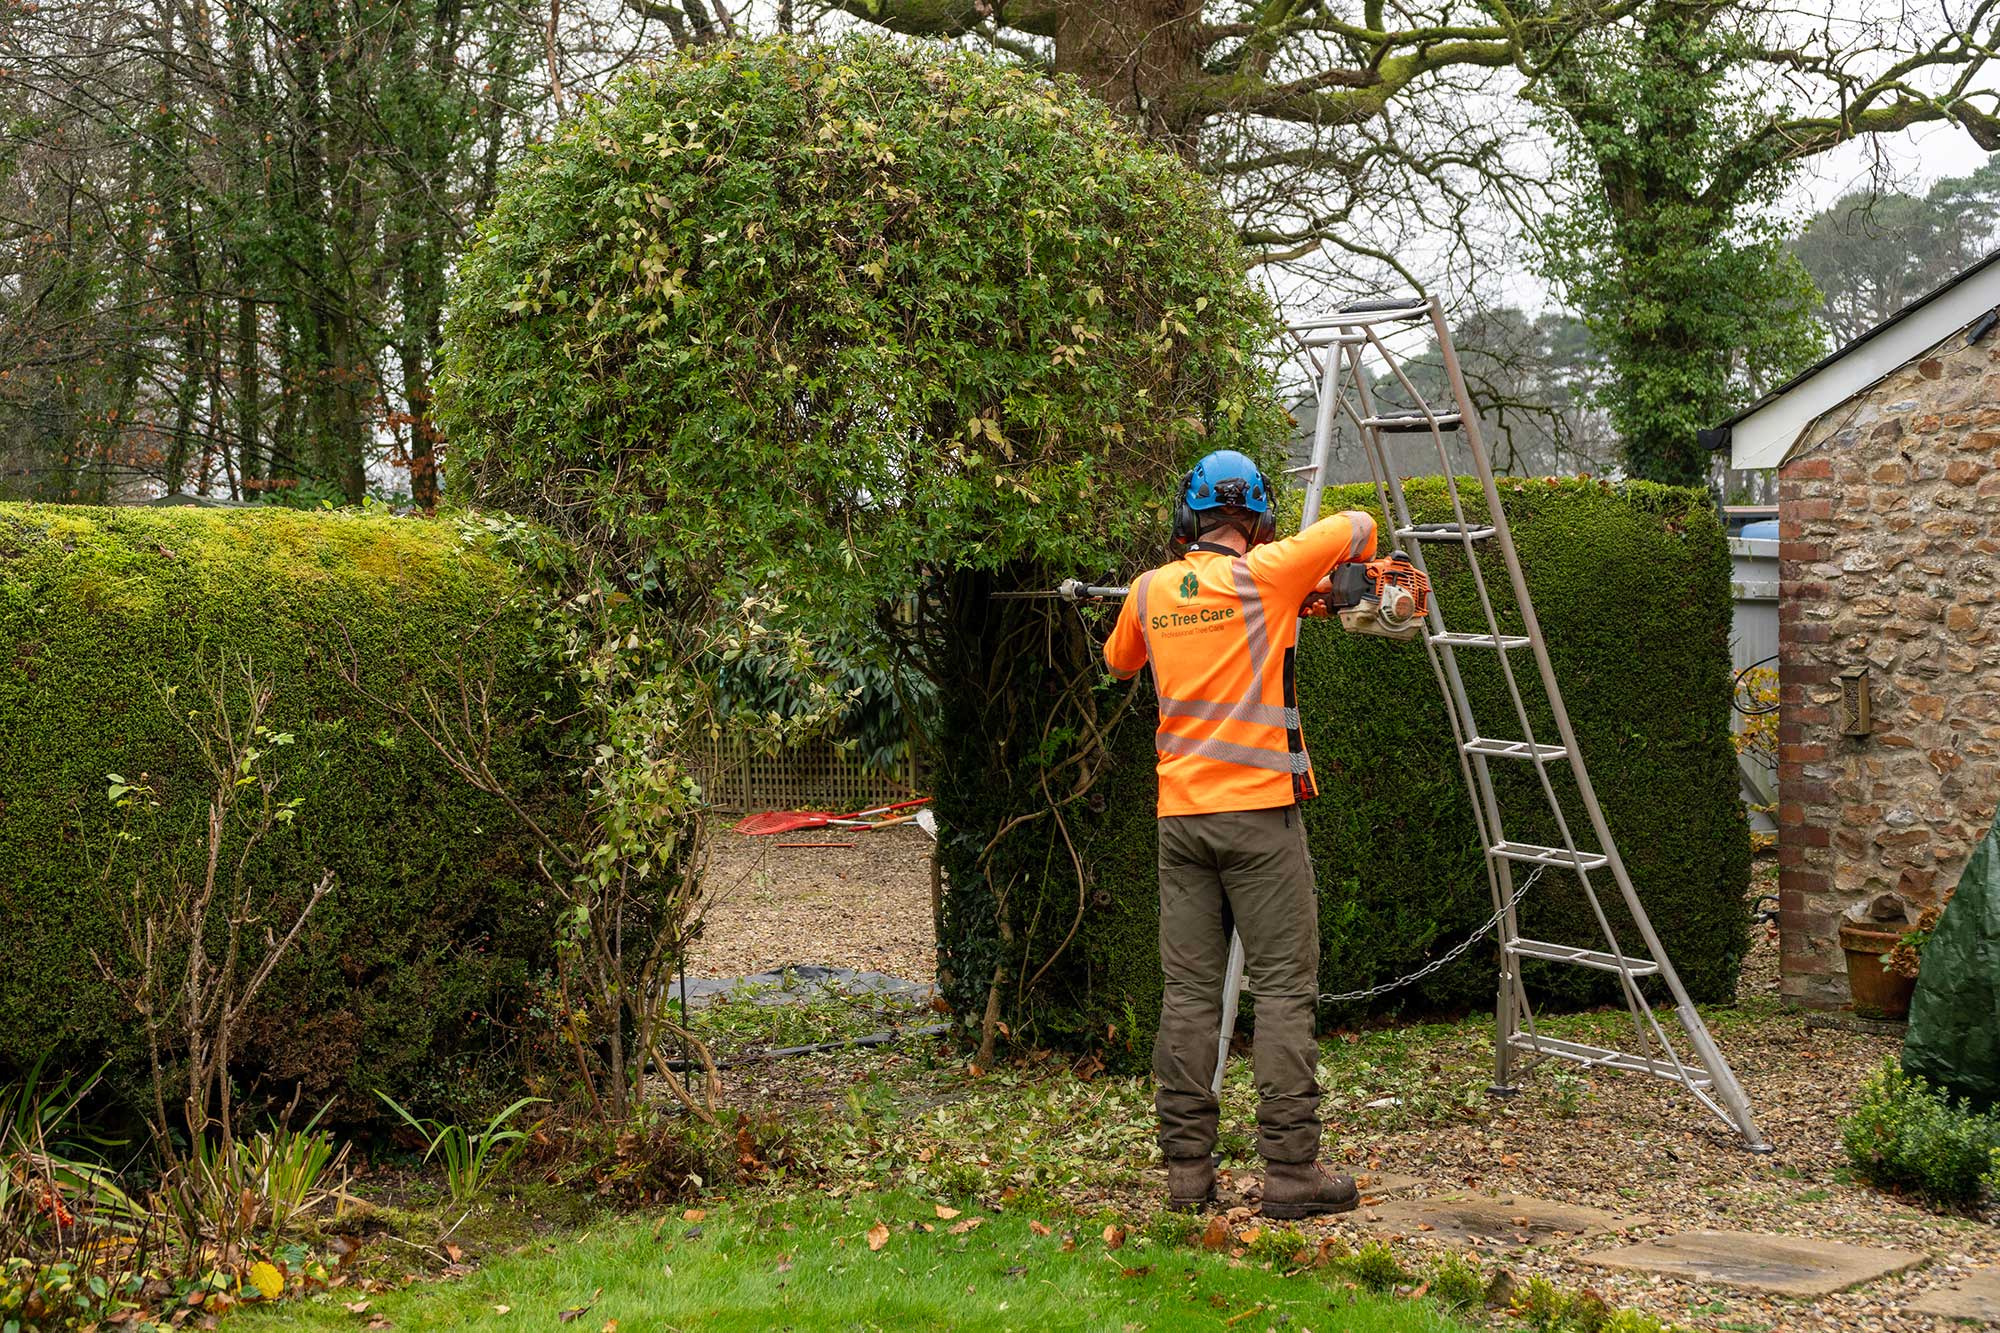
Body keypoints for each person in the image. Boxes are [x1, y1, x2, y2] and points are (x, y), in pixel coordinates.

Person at [1102, 448, 1378, 1219]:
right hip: (1259, 815)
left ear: (1188, 516)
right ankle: (1291, 1174)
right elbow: (1359, 524)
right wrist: (1326, 586)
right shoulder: (1269, 573)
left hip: (1181, 818)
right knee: (1285, 989)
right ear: (1255, 519)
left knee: (1188, 995)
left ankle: (1187, 1176)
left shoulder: (1150, 590)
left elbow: (1117, 661)